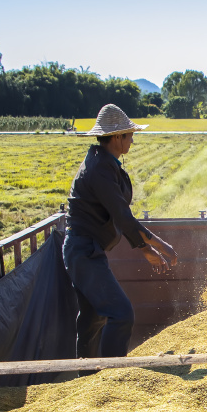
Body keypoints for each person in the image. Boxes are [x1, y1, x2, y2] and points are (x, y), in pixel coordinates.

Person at [64, 104, 178, 359]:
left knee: (92, 318)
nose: (132, 140)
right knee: (121, 313)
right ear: (116, 137)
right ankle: (112, 376)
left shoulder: (104, 163)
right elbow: (123, 217)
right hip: (84, 251)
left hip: (85, 251)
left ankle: (88, 373)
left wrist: (145, 248)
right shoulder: (100, 169)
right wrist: (160, 245)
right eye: (129, 135)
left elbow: (119, 215)